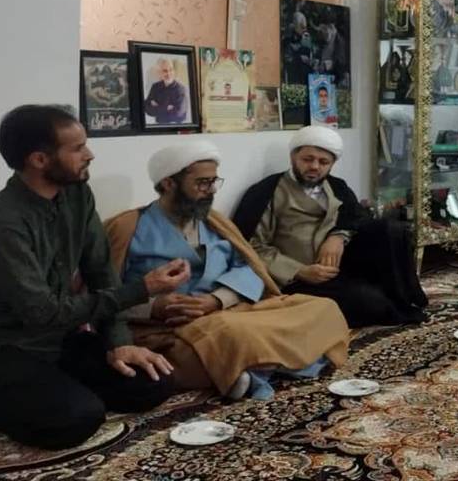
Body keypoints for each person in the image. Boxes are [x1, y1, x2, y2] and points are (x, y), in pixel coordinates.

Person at [0, 105, 187, 449]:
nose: (90, 155)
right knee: (77, 419)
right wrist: (142, 289)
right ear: (39, 160)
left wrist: (119, 342)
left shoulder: (76, 195)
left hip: (55, 340)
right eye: (77, 148)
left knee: (154, 384)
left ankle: (52, 389)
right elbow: (41, 313)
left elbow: (101, 271)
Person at [105, 142, 350, 400]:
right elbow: (103, 296)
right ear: (168, 184)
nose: (211, 190)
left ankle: (248, 368)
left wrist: (217, 299)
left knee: (323, 308)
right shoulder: (126, 228)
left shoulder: (214, 221)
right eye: (202, 183)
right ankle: (264, 364)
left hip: (229, 311)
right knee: (230, 335)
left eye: (214, 182)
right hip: (171, 328)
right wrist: (154, 306)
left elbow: (250, 268)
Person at [234, 126, 428, 327]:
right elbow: (252, 248)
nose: (314, 166)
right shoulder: (267, 192)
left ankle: (403, 295)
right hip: (299, 278)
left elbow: (356, 218)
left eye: (323, 162)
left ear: (332, 164)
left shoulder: (337, 186)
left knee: (390, 229)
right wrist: (299, 271)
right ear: (293, 157)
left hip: (340, 265)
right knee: (372, 303)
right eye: (308, 159)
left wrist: (338, 237)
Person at [144, 58, 188, 124]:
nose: (168, 73)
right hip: (159, 126)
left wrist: (158, 107)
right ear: (160, 73)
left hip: (176, 127)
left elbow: (178, 113)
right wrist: (167, 108)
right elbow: (147, 108)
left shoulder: (181, 89)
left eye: (171, 70)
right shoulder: (155, 87)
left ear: (174, 71)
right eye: (165, 71)